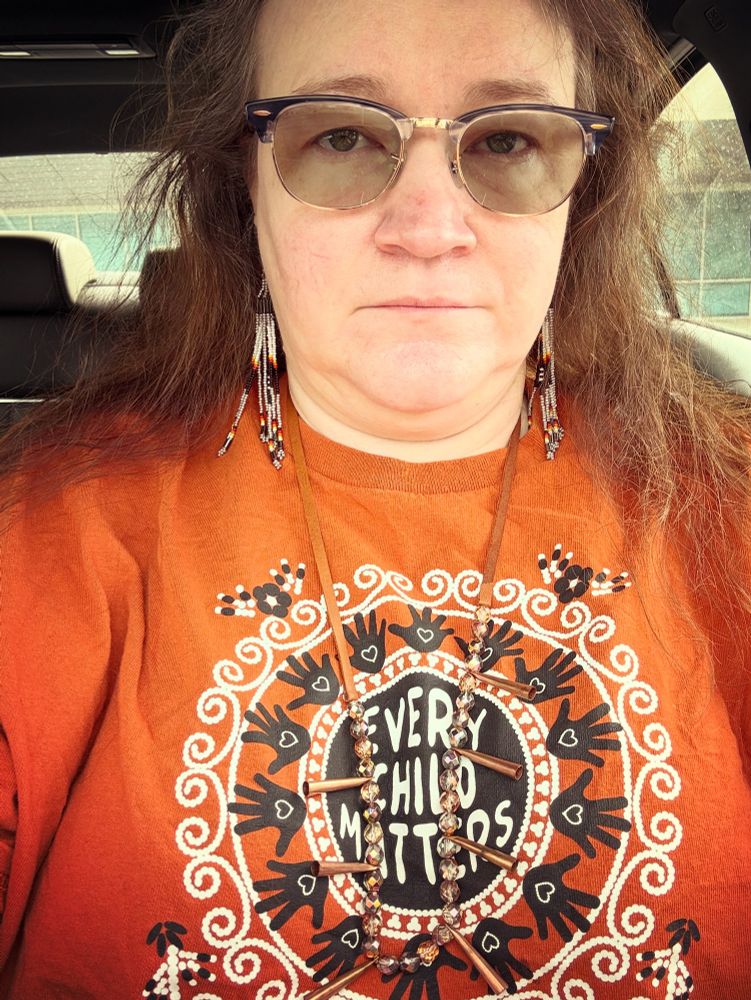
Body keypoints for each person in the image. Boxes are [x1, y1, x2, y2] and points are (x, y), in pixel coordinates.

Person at [1, 0, 750, 996]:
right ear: (246, 184)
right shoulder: (44, 533)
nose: (429, 227)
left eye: (510, 138)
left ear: (583, 187)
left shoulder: (721, 504)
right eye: (343, 135)